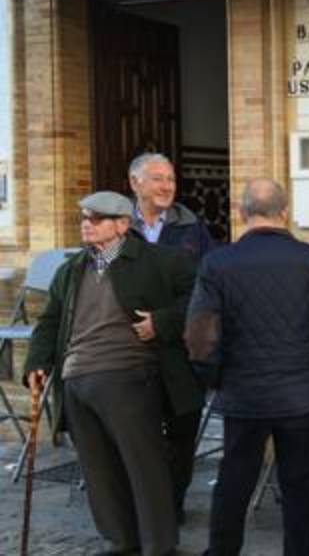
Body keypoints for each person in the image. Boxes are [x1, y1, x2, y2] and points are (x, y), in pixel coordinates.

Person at [24, 191, 197, 556]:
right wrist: (36, 363)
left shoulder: (161, 261)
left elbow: (200, 300)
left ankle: (158, 546)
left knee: (144, 466)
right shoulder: (70, 270)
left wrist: (161, 322)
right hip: (76, 378)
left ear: (122, 224)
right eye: (84, 217)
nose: (87, 223)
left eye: (98, 218)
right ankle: (120, 541)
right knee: (98, 469)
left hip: (128, 375)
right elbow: (49, 321)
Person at [184, 179, 309, 556]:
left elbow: (199, 337)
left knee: (234, 483)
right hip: (302, 396)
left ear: (242, 213)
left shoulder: (217, 263)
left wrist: (215, 378)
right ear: (285, 212)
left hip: (244, 395)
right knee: (301, 487)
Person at [128, 150, 215, 522]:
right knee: (138, 432)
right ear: (135, 183)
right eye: (158, 178)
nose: (167, 186)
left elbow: (206, 287)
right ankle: (142, 506)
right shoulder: (114, 224)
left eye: (171, 179)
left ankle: (172, 505)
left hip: (179, 346)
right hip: (131, 347)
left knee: (182, 430)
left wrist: (162, 322)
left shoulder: (191, 228)